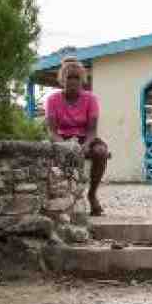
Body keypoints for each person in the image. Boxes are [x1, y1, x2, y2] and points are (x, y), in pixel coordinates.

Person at [46, 58, 108, 216]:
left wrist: (85, 146)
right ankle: (59, 198)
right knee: (48, 154)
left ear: (82, 80)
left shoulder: (91, 99)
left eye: (76, 78)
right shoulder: (52, 100)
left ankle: (92, 194)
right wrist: (66, 145)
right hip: (62, 139)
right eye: (69, 77)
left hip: (85, 138)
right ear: (62, 80)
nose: (73, 81)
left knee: (101, 152)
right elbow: (52, 131)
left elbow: (92, 131)